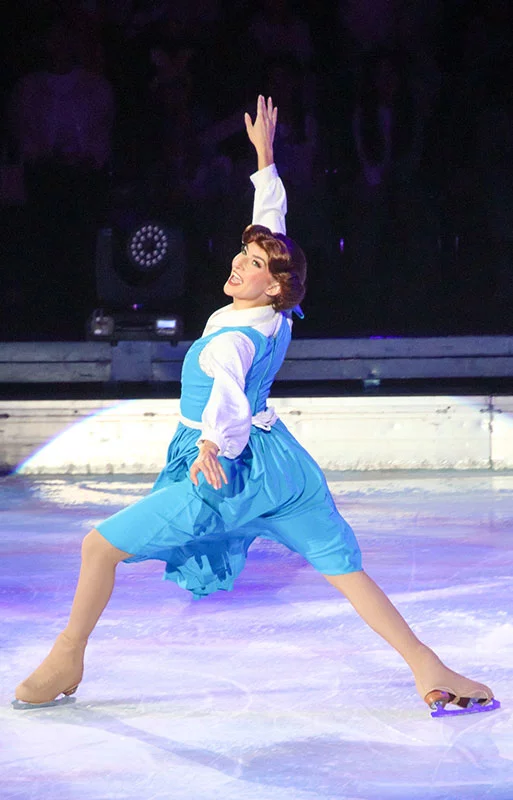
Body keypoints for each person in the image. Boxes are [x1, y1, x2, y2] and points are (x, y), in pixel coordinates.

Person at [15, 96, 495, 716]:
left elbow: (229, 395)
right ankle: (429, 667)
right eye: (241, 257)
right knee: (343, 567)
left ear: (275, 285)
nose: (240, 265)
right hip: (280, 468)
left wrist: (214, 443)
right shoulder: (273, 312)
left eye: (254, 265)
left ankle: (67, 658)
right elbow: (274, 228)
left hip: (225, 465)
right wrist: (266, 161)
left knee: (98, 548)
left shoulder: (236, 338)